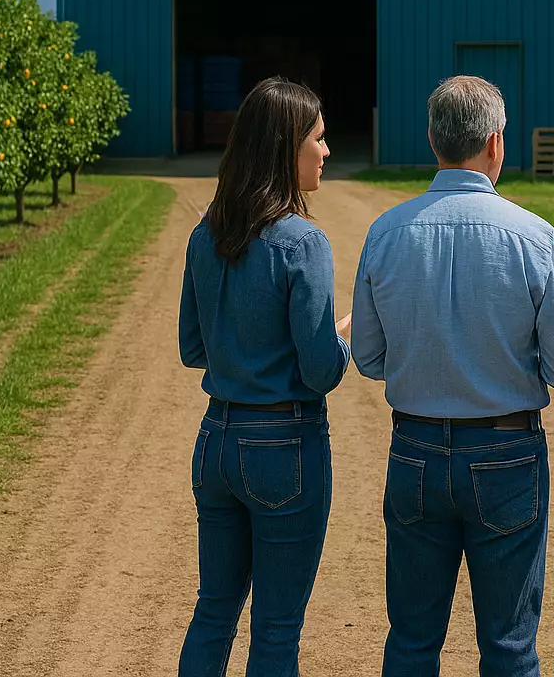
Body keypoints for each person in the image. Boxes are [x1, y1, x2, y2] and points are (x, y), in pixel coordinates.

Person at [352, 75, 554, 676]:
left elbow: (369, 357)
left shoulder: (386, 232)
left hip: (414, 450)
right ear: (494, 142)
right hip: (507, 450)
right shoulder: (534, 237)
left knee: (411, 639)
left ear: (435, 140)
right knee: (509, 645)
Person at [177, 76, 353, 677]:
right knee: (276, 631)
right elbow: (320, 370)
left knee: (213, 611)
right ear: (287, 146)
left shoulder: (206, 234)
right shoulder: (303, 243)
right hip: (284, 446)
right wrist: (343, 338)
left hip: (216, 440)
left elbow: (192, 347)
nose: (327, 151)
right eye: (319, 138)